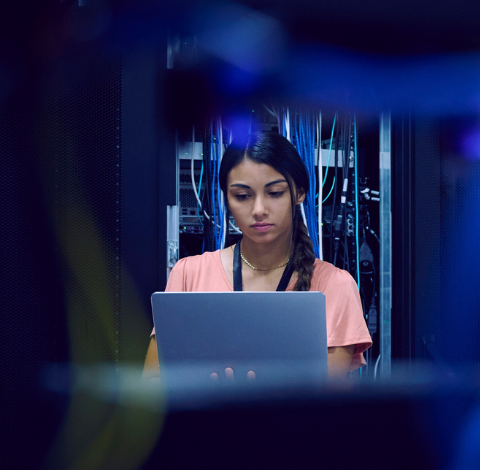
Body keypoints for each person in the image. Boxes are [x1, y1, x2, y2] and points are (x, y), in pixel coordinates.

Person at [142, 131, 372, 381]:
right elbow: (151, 386)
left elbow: (328, 401)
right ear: (227, 200)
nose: (259, 210)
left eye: (274, 193)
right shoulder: (188, 274)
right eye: (242, 196)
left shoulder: (335, 285)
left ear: (299, 193)